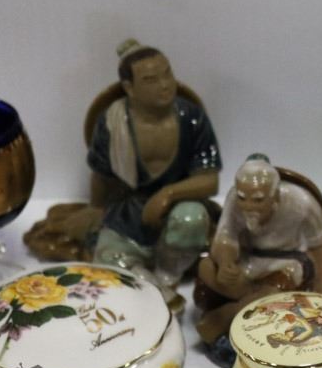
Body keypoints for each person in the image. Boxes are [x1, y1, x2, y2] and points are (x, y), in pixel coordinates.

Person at [88, 39, 222, 290]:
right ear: (129, 87)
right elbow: (100, 176)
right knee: (106, 261)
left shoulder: (191, 118)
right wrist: (95, 211)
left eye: (167, 74)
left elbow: (209, 180)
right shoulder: (113, 123)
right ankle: (149, 287)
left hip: (180, 205)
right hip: (130, 212)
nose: (165, 85)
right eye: (151, 80)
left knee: (192, 218)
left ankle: (168, 274)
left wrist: (167, 194)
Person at [193, 155, 322, 357]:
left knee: (274, 293)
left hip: (288, 261)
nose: (248, 205)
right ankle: (251, 297)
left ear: (275, 196)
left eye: (258, 200)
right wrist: (226, 262)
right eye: (243, 197)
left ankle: (231, 313)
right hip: (248, 259)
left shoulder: (301, 202)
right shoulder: (234, 199)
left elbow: (321, 240)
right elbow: (225, 237)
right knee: (206, 267)